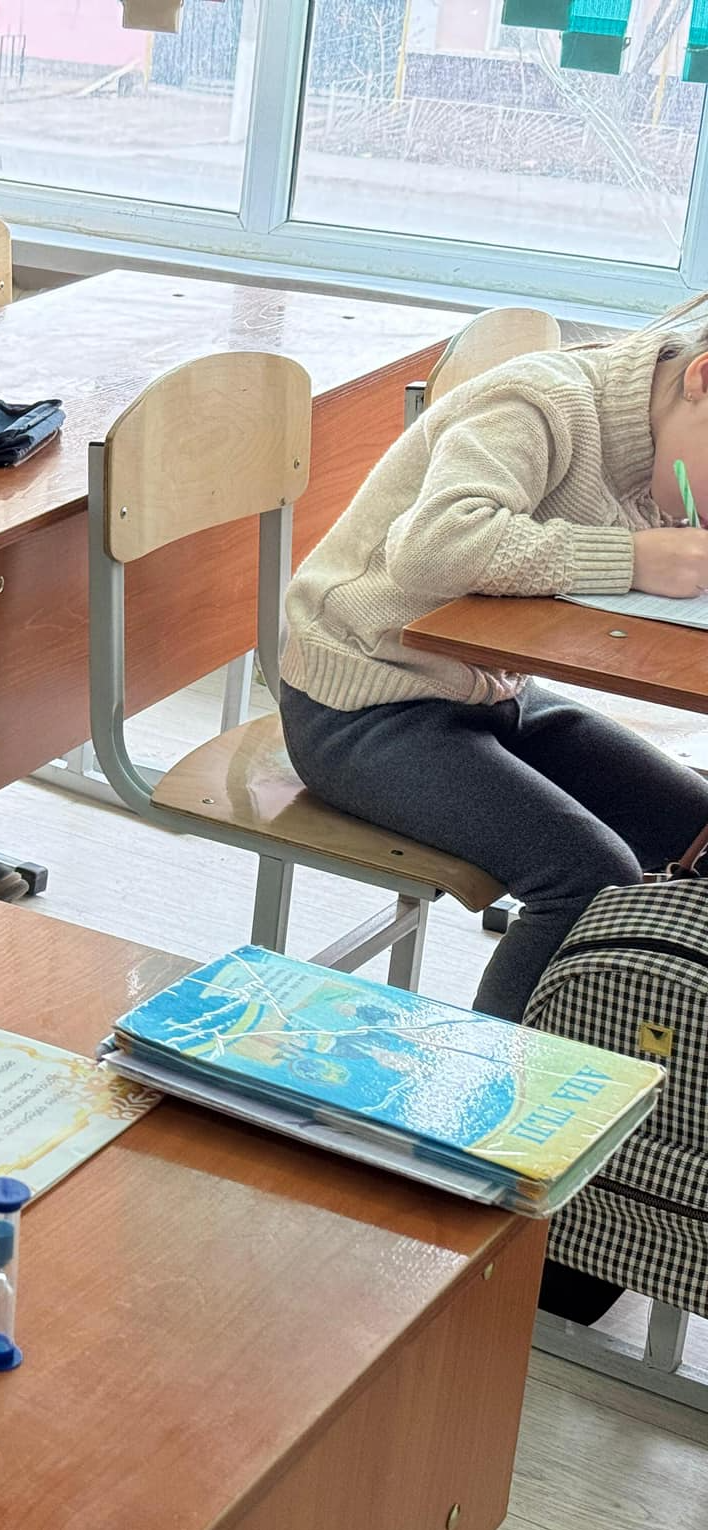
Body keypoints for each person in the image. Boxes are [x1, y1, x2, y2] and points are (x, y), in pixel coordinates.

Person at [277, 304, 708, 1028]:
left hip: (492, 693)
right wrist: (631, 557)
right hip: (362, 705)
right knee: (590, 875)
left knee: (699, 831)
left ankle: (643, 1043)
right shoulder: (540, 402)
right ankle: (493, 1085)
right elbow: (434, 548)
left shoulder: (669, 442)